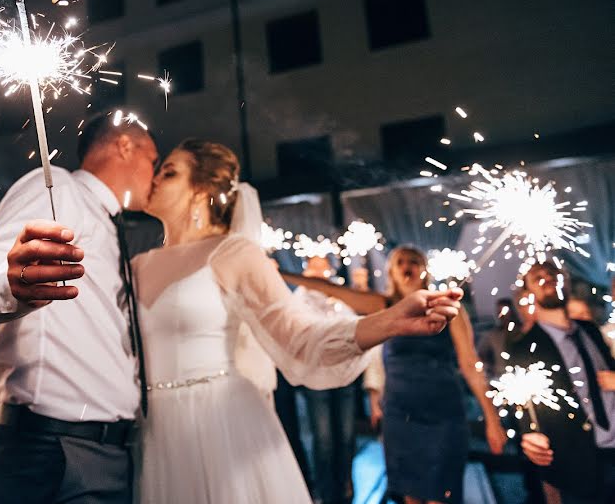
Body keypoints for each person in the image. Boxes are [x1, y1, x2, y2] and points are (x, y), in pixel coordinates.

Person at [131, 140, 461, 503]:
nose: (155, 178)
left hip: (217, 425)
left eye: (170, 171)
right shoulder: (136, 264)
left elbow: (302, 337)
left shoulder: (233, 253)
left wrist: (391, 321)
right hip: (151, 429)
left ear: (201, 190)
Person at [0, 112, 159, 503]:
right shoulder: (57, 188)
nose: (154, 173)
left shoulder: (111, 222)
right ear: (125, 145)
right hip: (53, 449)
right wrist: (11, 284)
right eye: (152, 159)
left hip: (106, 449)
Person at [286, 246, 507, 504]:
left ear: (424, 269)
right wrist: (280, 274)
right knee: (410, 495)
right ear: (391, 271)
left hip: (443, 413)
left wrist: (492, 419)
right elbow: (333, 290)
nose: (407, 266)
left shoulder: (447, 307)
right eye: (399, 262)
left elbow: (470, 363)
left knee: (441, 494)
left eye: (413, 260)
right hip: (401, 414)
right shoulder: (383, 305)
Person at [512, 261, 615, 503]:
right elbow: (525, 404)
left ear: (566, 281)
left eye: (552, 272)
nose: (546, 276)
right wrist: (529, 436)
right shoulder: (525, 347)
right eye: (537, 276)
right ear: (528, 294)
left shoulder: (590, 330)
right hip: (577, 463)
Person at [297, 255, 360, 504]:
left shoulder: (339, 296)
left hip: (344, 376)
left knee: (346, 435)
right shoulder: (299, 298)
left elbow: (354, 326)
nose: (320, 273)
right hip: (317, 377)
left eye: (324, 267)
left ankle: (345, 484)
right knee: (323, 438)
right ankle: (326, 492)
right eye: (315, 267)